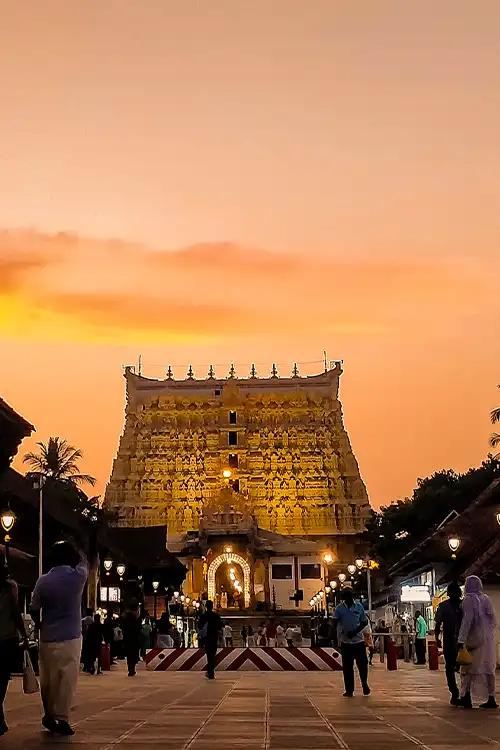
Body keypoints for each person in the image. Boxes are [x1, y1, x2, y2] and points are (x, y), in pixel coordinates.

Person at [30, 541, 88, 736]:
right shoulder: (77, 577)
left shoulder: (43, 581)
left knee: (48, 679)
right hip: (71, 636)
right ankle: (61, 717)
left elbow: (34, 608)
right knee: (67, 679)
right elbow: (84, 561)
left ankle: (48, 713)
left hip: (47, 637)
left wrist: (39, 626)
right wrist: (76, 547)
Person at [457, 575, 497, 709]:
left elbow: (467, 621)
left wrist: (461, 639)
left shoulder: (468, 600)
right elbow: (493, 620)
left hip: (473, 640)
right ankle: (491, 697)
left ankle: (466, 697)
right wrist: (487, 633)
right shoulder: (486, 599)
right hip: (488, 641)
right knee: (488, 669)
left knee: (467, 668)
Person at [0, 556, 29, 736]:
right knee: (2, 679)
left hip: (6, 639)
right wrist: (24, 636)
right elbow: (17, 615)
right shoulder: (9, 589)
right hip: (6, 640)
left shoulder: (9, 590)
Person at [334, 587, 370, 697]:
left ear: (352, 596)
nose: (348, 598)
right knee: (347, 667)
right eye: (345, 596)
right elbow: (335, 622)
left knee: (363, 665)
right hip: (346, 643)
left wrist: (355, 631)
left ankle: (364, 683)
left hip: (358, 641)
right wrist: (336, 637)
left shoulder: (359, 607)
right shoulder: (339, 609)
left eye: (349, 596)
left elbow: (364, 622)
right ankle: (349, 690)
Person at [435, 581, 462, 705]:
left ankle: (454, 692)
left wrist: (436, 638)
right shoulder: (463, 605)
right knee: (465, 667)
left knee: (449, 668)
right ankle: (465, 692)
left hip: (449, 641)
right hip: (463, 641)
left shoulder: (443, 606)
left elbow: (437, 623)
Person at [198, 600, 223, 679]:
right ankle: (211, 671)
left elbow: (199, 626)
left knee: (209, 655)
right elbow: (220, 626)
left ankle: (210, 671)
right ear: (212, 606)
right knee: (213, 654)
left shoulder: (203, 616)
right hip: (214, 637)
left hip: (206, 637)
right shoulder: (216, 616)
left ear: (206, 606)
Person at [121, 599, 141, 677]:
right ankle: (132, 668)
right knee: (133, 653)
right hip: (134, 638)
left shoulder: (125, 617)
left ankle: (130, 669)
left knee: (129, 654)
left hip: (127, 638)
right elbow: (138, 628)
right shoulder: (136, 618)